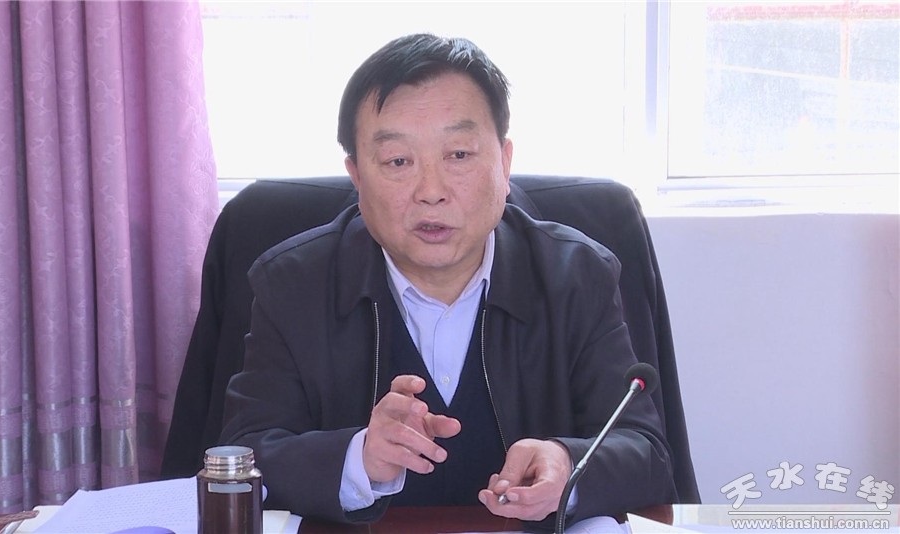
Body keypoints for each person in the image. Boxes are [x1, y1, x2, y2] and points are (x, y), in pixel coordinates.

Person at [219, 33, 677, 529]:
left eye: (458, 154)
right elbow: (241, 456)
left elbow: (645, 452)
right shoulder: (292, 284)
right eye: (398, 161)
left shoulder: (577, 276)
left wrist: (568, 464)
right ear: (357, 175)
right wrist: (359, 459)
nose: (431, 191)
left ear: (504, 161)